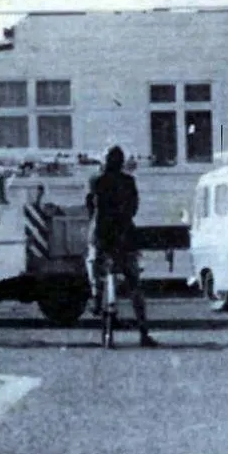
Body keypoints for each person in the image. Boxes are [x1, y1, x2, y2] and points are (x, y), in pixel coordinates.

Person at [85, 145, 157, 347]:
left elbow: (90, 205)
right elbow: (134, 208)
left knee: (93, 263)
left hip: (101, 235)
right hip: (125, 236)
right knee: (134, 283)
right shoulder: (129, 181)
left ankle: (96, 296)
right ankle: (143, 332)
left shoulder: (96, 180)